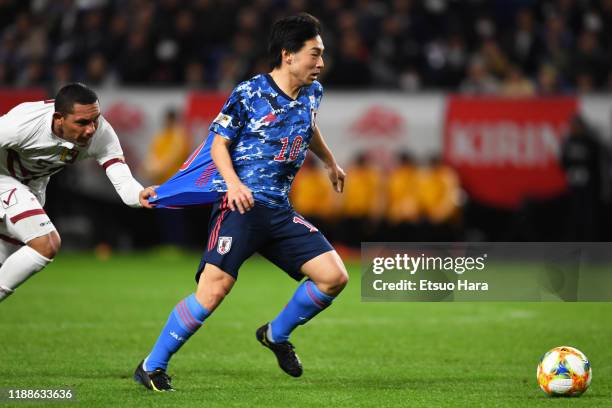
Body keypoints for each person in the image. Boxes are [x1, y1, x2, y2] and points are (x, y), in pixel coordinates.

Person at [133, 13, 348, 392]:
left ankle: (276, 335)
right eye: (314, 54)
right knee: (213, 291)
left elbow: (308, 126)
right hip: (240, 209)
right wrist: (233, 185)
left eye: (322, 54)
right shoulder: (251, 92)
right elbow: (218, 144)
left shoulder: (313, 92)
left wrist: (329, 161)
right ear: (288, 55)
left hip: (279, 211)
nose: (321, 63)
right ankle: (151, 365)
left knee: (334, 278)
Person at [0, 82, 156, 302]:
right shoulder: (22, 125)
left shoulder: (101, 132)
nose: (91, 129)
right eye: (82, 122)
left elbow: (122, 177)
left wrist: (139, 195)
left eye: (95, 120)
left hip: (33, 188)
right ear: (58, 119)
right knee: (46, 243)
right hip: (3, 178)